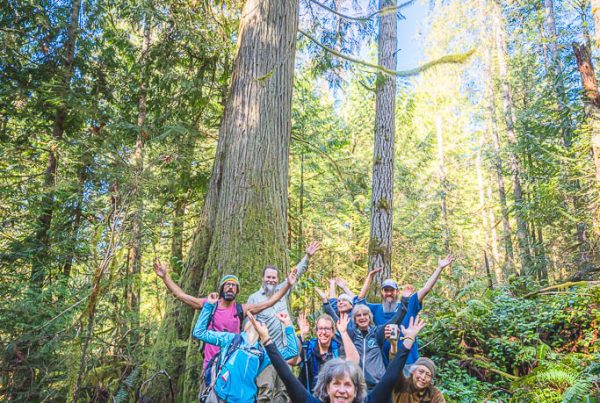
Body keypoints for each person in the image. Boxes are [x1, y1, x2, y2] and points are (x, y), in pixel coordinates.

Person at [251, 312, 426, 403]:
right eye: (336, 384)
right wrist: (266, 339)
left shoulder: (368, 401)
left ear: (356, 390)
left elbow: (390, 377)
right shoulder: (309, 348)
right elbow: (287, 376)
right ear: (327, 388)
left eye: (347, 385)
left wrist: (408, 341)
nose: (342, 390)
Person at [153, 259, 295, 371]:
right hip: (211, 364)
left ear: (237, 291)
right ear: (222, 288)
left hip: (231, 365)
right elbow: (182, 296)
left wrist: (288, 285)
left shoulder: (241, 309)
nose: (230, 287)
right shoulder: (210, 304)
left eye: (234, 286)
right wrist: (165, 277)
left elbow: (269, 302)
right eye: (227, 285)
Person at [247, 241, 321, 402]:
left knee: (284, 393)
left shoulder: (282, 292)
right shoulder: (254, 298)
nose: (271, 280)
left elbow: (296, 274)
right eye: (268, 277)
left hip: (285, 355)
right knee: (266, 391)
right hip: (266, 355)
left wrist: (307, 256)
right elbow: (248, 329)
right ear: (262, 278)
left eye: (274, 277)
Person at [192, 292, 299, 403]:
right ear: (245, 326)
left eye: (260, 322)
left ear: (264, 331)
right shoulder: (230, 339)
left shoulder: (263, 354)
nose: (255, 321)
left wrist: (288, 324)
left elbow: (291, 351)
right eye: (252, 320)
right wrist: (209, 305)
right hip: (220, 397)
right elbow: (199, 332)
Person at [355, 255, 455, 367]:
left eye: (392, 290)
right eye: (386, 290)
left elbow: (426, 289)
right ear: (381, 292)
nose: (389, 293)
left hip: (409, 363)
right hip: (386, 364)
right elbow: (359, 301)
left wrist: (439, 268)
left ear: (397, 292)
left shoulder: (408, 305)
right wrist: (369, 276)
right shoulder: (375, 309)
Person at [347, 303, 407, 389]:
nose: (362, 317)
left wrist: (405, 301)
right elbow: (337, 325)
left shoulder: (377, 332)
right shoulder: (351, 334)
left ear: (369, 317)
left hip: (377, 383)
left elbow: (395, 320)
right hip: (357, 383)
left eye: (365, 314)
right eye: (358, 315)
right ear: (355, 319)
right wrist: (327, 304)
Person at [296, 312, 359, 392]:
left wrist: (343, 332)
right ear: (316, 331)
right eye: (320, 328)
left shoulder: (338, 349)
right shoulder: (308, 347)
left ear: (333, 332)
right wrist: (302, 334)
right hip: (310, 395)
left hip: (332, 395)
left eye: (327, 329)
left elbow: (354, 361)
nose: (323, 332)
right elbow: (293, 361)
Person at [388, 338, 446, 403]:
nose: (423, 377)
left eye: (428, 375)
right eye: (421, 372)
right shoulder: (402, 384)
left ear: (431, 380)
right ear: (413, 371)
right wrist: (393, 346)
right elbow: (395, 367)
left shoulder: (435, 394)